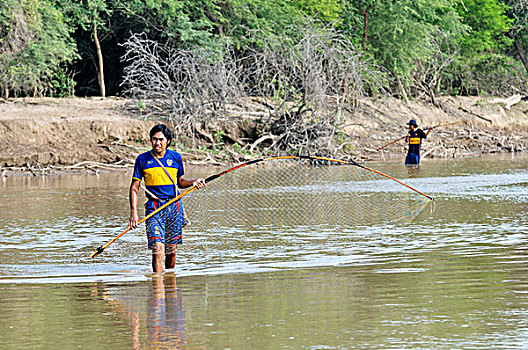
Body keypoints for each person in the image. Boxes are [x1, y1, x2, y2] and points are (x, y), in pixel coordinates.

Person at [129, 124, 206, 273]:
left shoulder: (175, 157)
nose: (157, 143)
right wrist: (133, 212)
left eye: (161, 140)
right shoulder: (142, 159)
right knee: (157, 248)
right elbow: (134, 188)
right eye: (154, 139)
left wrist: (193, 182)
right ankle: (158, 291)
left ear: (168, 141)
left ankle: (170, 285)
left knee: (171, 250)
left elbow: (180, 182)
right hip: (154, 208)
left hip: (174, 207)